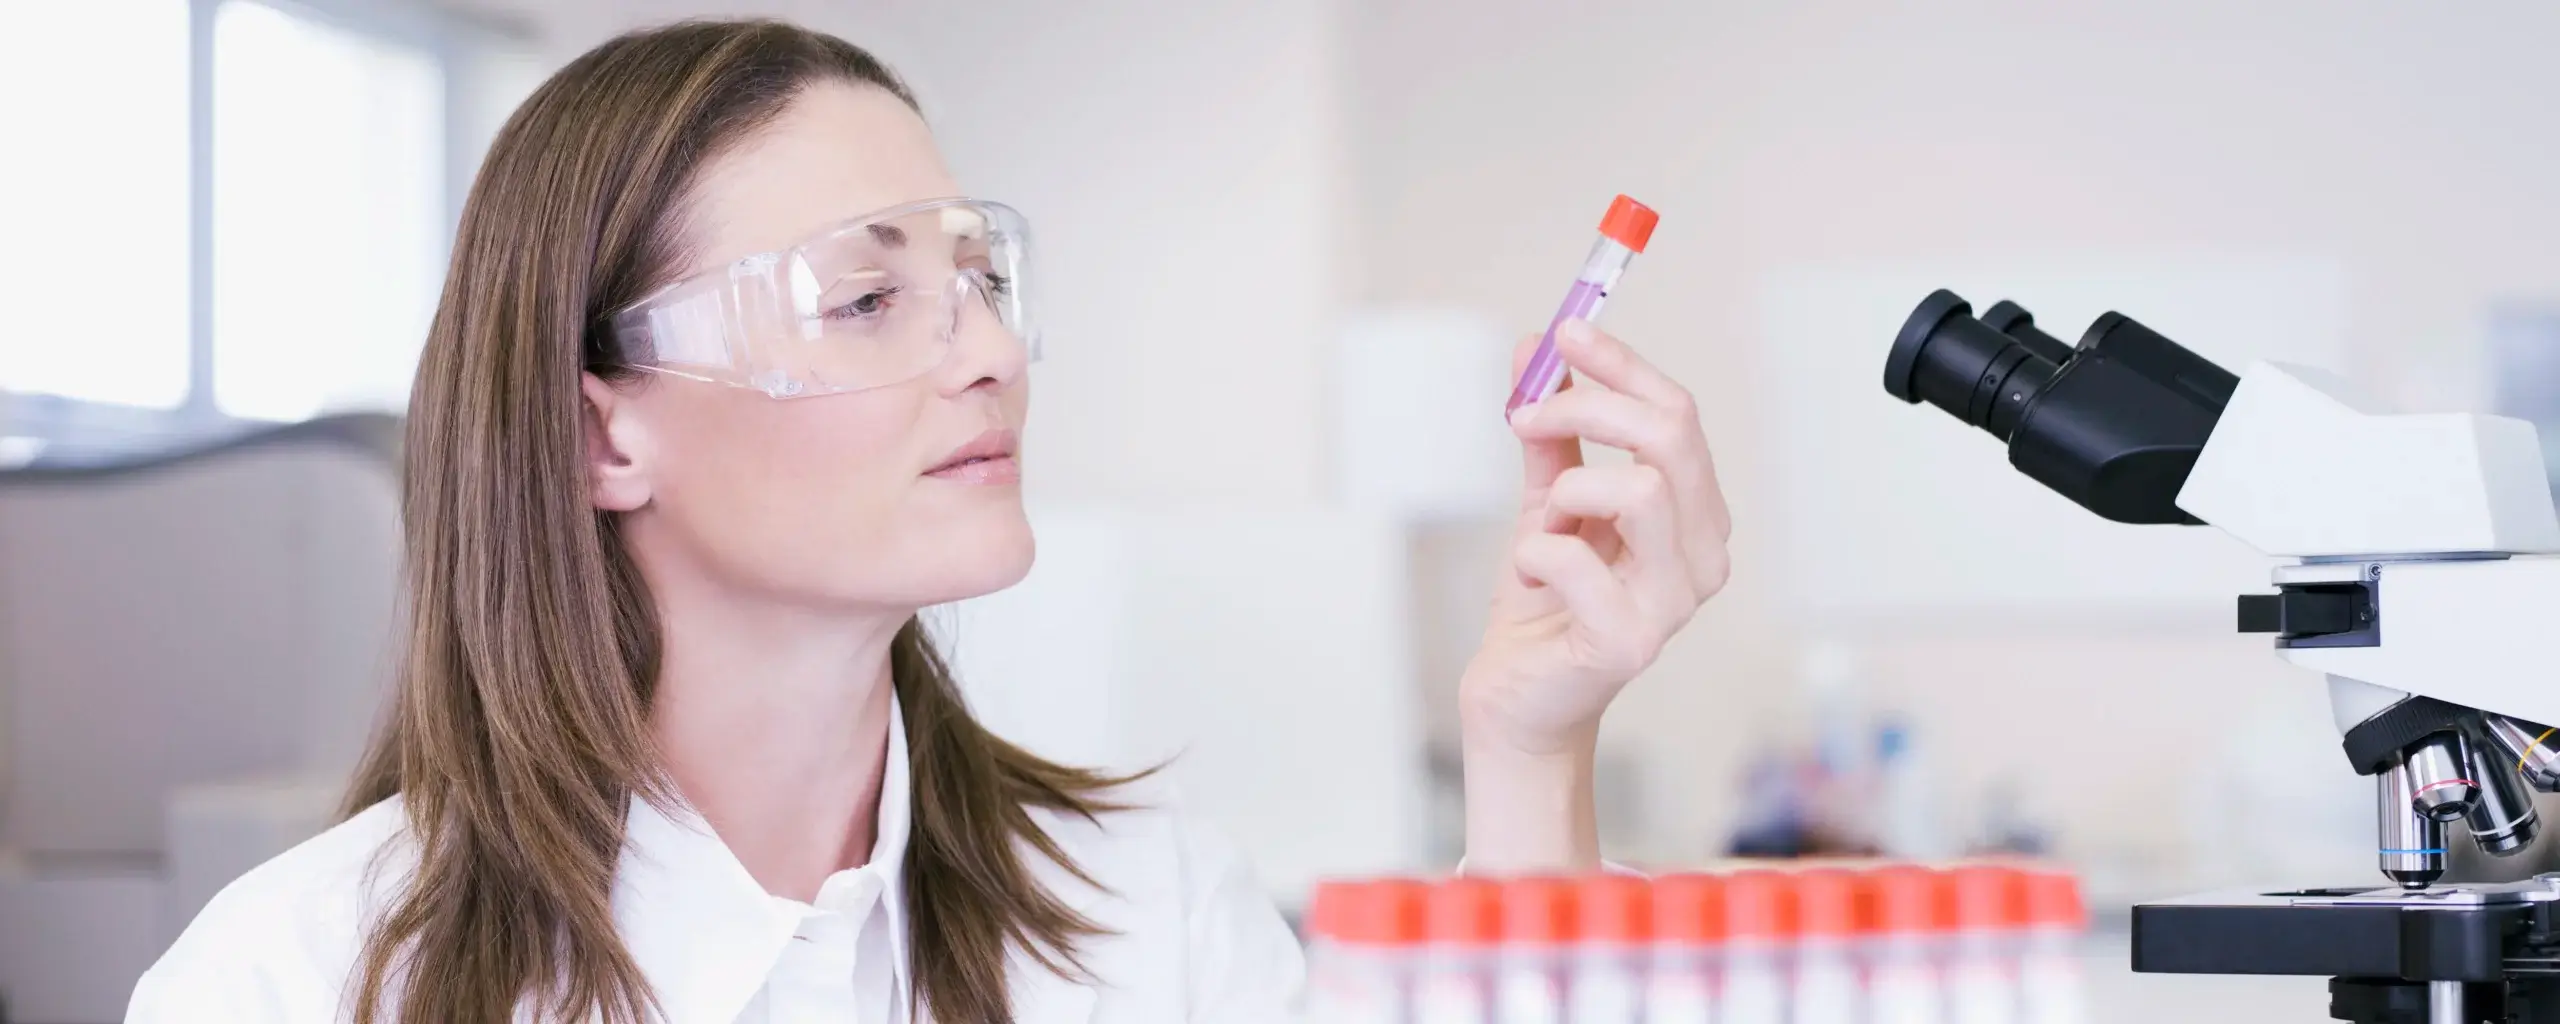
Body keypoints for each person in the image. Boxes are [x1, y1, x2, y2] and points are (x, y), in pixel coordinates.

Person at [126, 17, 1730, 1024]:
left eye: (981, 280)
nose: (987, 350)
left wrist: (1532, 752)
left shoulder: (1140, 913)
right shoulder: (299, 979)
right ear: (601, 433)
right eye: (869, 296)